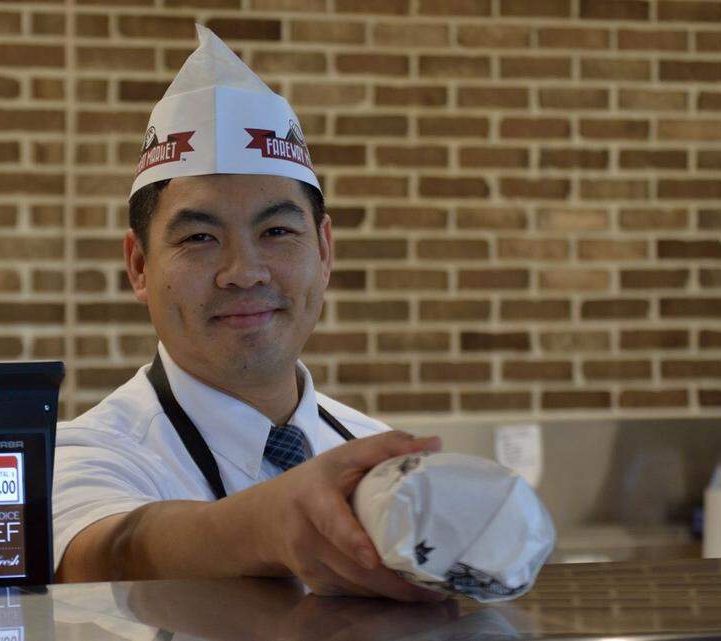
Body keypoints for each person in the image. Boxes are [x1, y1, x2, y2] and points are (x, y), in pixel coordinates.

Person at [52, 26, 444, 602]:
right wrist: (266, 525)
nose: (244, 270)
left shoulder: (375, 450)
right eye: (200, 237)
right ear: (139, 265)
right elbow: (108, 552)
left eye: (277, 231)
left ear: (325, 251)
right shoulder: (86, 454)